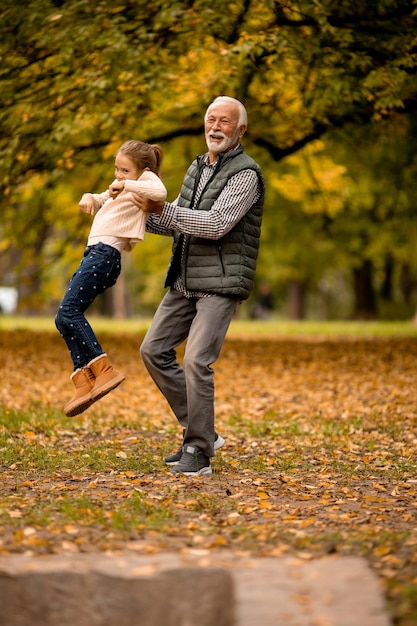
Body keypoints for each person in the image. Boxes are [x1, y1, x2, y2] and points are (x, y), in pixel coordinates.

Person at [135, 96, 265, 476]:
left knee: (196, 359)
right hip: (185, 278)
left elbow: (215, 224)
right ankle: (203, 431)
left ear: (240, 130)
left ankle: (198, 450)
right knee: (153, 350)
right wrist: (131, 208)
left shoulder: (246, 174)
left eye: (225, 122)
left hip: (222, 283)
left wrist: (161, 210)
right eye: (211, 119)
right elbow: (173, 219)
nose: (215, 127)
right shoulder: (196, 167)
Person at [55, 140, 167, 418]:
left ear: (142, 170)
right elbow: (103, 196)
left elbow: (160, 192)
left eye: (125, 170)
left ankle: (103, 370)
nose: (119, 175)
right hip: (94, 253)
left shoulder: (145, 182)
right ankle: (83, 380)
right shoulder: (123, 186)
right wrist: (90, 196)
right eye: (117, 169)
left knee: (69, 311)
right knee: (62, 317)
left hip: (105, 255)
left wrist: (129, 184)